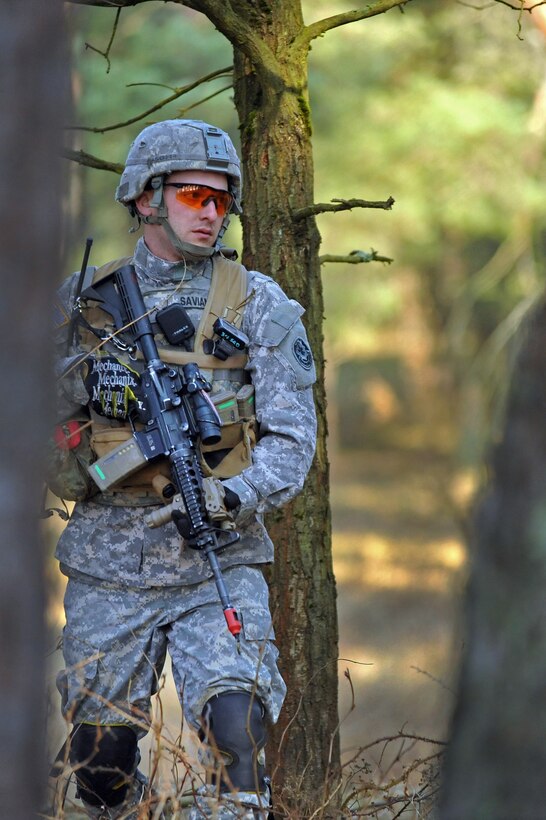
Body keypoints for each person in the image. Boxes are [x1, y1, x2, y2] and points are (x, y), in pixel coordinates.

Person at [50, 119, 317, 819]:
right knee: (98, 760)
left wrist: (236, 494)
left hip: (217, 556)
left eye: (221, 200)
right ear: (145, 198)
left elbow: (293, 441)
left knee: (238, 729)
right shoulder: (80, 307)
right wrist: (83, 390)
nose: (210, 212)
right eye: (194, 195)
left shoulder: (259, 304)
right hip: (113, 566)